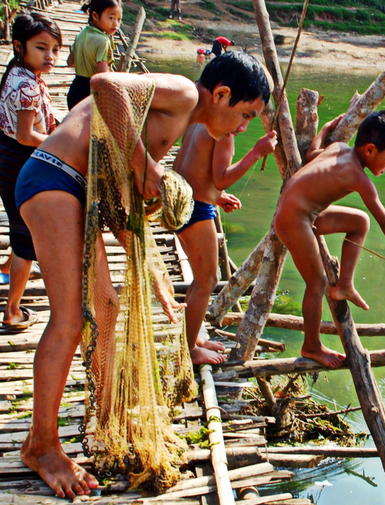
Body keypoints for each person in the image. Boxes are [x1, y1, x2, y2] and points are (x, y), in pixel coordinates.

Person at [17, 51, 272, 499]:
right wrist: (146, 164)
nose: (244, 126)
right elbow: (105, 86)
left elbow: (115, 175)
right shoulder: (185, 93)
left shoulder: (175, 121)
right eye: (246, 114)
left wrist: (145, 245)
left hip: (76, 190)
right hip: (53, 177)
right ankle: (42, 446)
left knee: (108, 310)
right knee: (70, 320)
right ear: (222, 94)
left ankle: (110, 411)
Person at [274, 110, 385, 368]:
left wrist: (324, 129)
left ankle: (345, 286)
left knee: (359, 222)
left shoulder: (339, 147)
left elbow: (311, 154)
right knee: (316, 283)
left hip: (303, 212)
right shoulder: (357, 177)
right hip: (294, 220)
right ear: (371, 150)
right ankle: (312, 345)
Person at [173, 123, 277, 365]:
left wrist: (217, 198)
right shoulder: (224, 132)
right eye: (246, 114)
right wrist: (256, 152)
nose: (244, 123)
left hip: (183, 200)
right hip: (196, 209)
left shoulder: (200, 121)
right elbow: (221, 178)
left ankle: (193, 339)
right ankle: (189, 350)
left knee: (201, 278)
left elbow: (190, 167)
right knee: (207, 280)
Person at [0, 13, 62, 331]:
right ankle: (12, 311)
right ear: (19, 46)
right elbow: (26, 135)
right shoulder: (26, 85)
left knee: (19, 222)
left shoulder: (19, 72)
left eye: (54, 49)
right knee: (26, 236)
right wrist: (59, 141)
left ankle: (10, 265)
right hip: (19, 162)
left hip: (9, 157)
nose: (49, 56)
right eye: (41, 48)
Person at [66, 0, 121, 110]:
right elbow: (103, 76)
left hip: (75, 90)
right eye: (111, 18)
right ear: (95, 16)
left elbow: (70, 62)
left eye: (119, 19)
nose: (116, 23)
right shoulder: (103, 41)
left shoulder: (81, 34)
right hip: (90, 94)